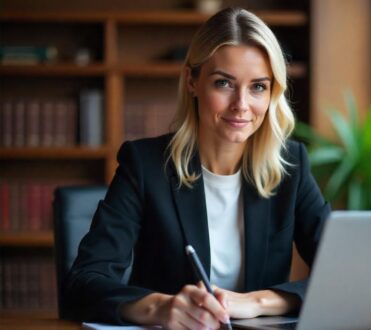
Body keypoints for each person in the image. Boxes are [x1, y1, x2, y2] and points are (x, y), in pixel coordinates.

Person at [64, 7, 331, 330]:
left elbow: (344, 274)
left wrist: (258, 302)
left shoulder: (290, 166)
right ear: (192, 81)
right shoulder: (145, 165)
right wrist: (159, 308)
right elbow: (83, 283)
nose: (242, 105)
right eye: (224, 84)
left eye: (258, 86)